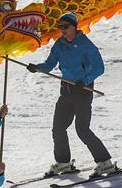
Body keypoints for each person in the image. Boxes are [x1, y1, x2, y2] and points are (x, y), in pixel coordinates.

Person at [26, 12, 115, 176]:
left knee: (82, 129)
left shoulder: (85, 45)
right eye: (60, 27)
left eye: (65, 27)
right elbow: (50, 63)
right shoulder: (59, 45)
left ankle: (105, 162)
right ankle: (63, 162)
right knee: (58, 128)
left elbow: (99, 67)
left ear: (74, 26)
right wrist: (38, 68)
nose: (63, 30)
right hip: (66, 89)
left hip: (83, 90)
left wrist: (86, 80)